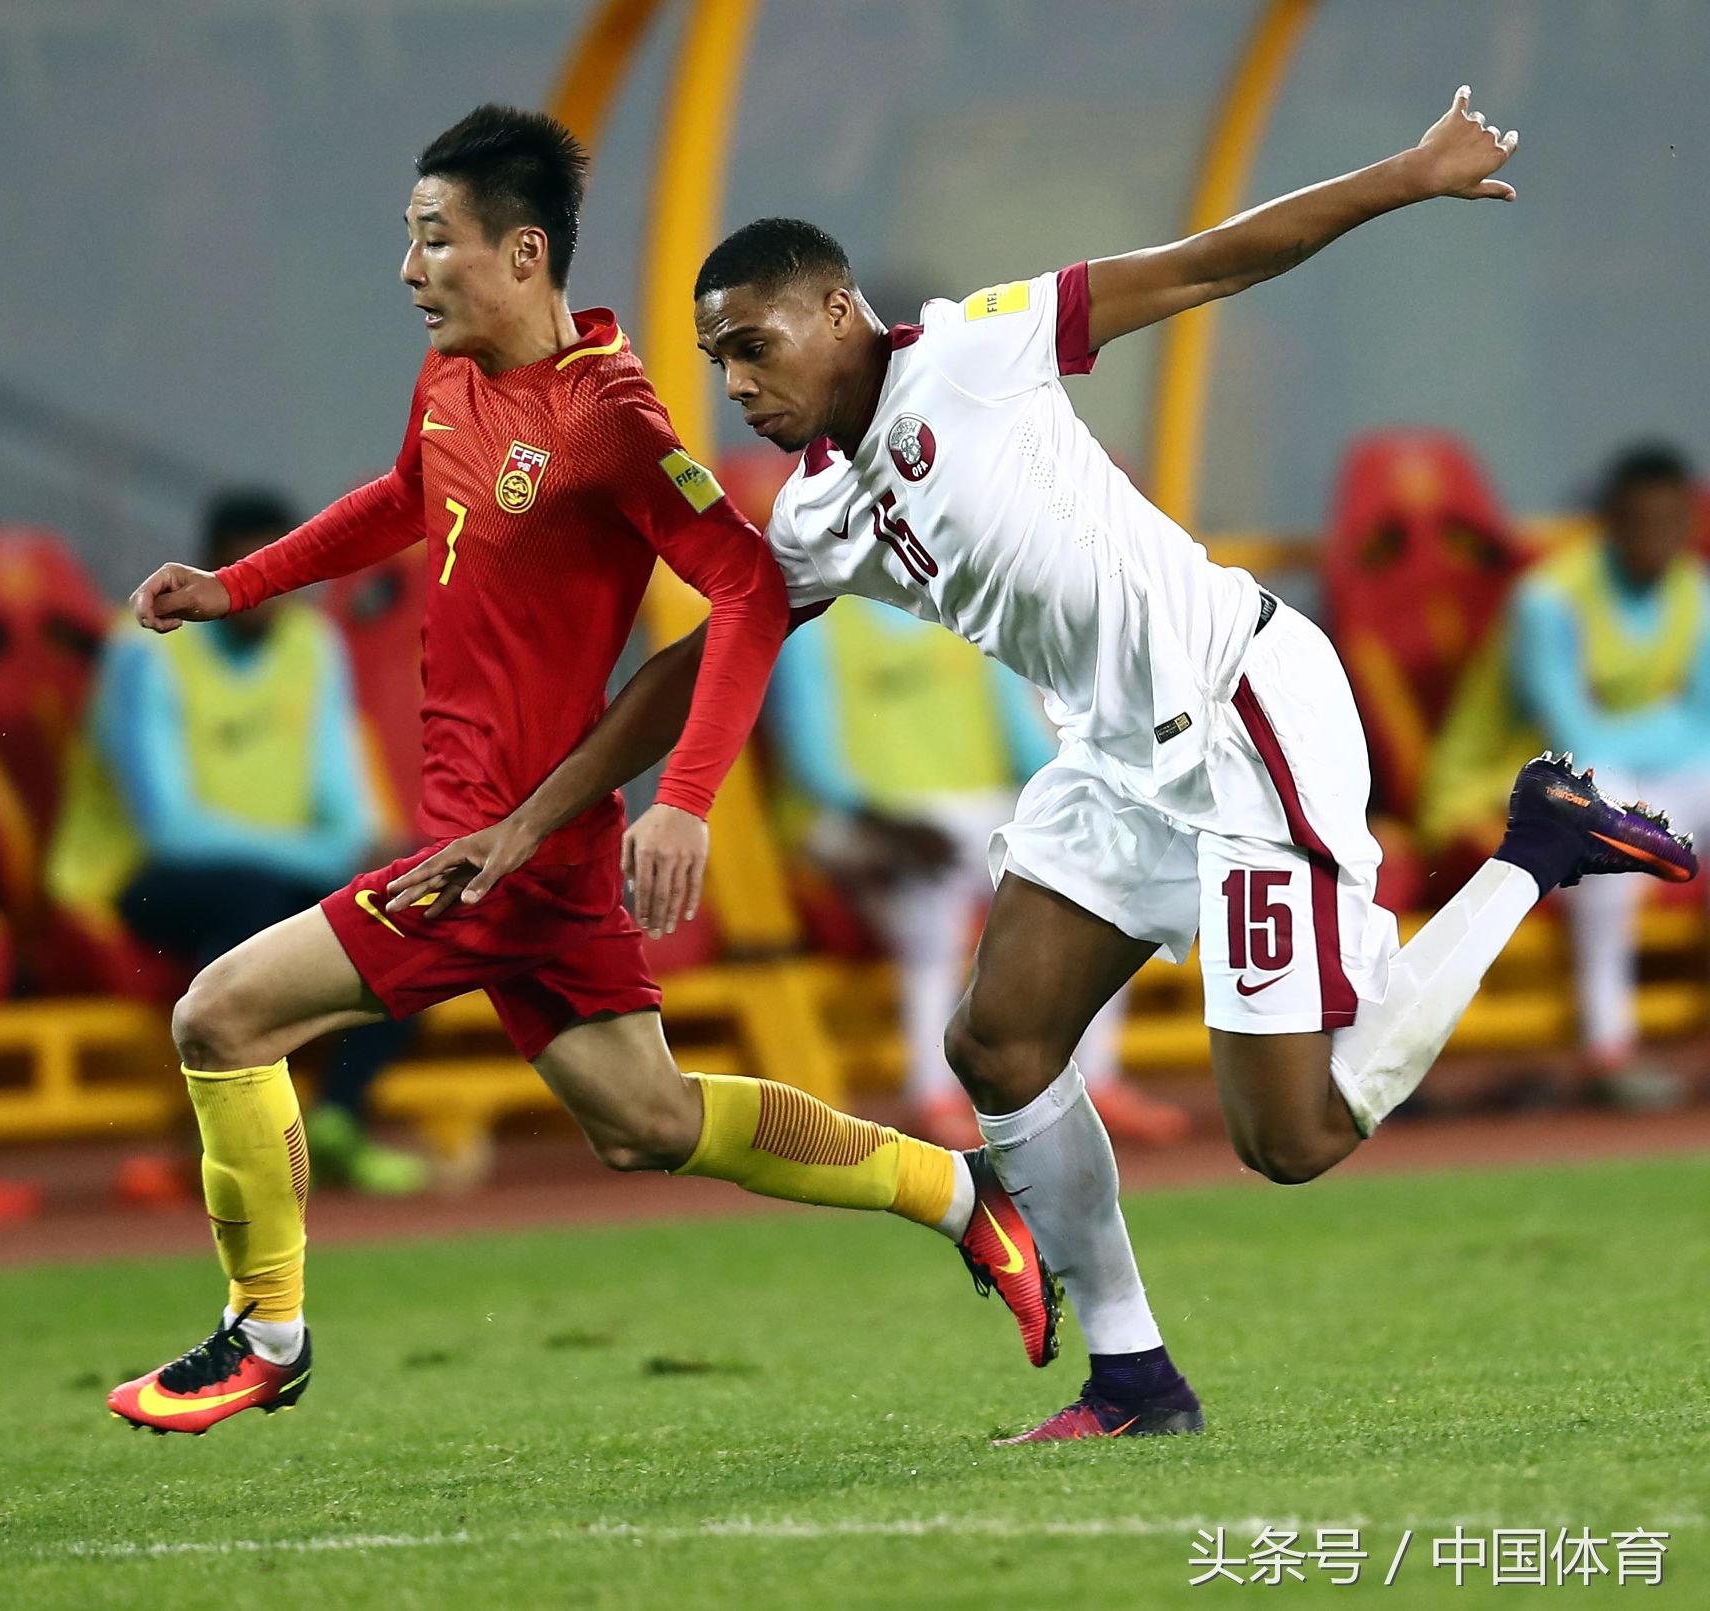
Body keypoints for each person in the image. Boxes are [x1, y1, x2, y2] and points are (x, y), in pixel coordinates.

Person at [393, 89, 1696, 1443]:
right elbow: (701, 660)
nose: (737, 385)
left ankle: (1537, 845)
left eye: (755, 347)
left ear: (837, 312)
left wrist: (1409, 175)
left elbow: (1208, 262)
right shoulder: (819, 512)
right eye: (718, 361)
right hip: (1112, 761)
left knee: (1293, 1139)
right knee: (996, 1044)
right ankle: (1133, 1379)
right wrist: (534, 817)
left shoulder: (980, 348)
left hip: (1240, 717)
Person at [106, 105, 1062, 1436]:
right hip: (493, 841)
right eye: (409, 239)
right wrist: (240, 584)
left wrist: (685, 803)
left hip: (501, 853)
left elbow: (749, 590)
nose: (409, 269)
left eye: (434, 239)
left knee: (219, 1018)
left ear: (523, 254)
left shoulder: (609, 419)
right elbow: (406, 493)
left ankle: (265, 1332)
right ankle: (958, 1192)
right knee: (646, 1120)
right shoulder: (451, 376)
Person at [96, 488, 430, 1194]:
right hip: (143, 878)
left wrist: (367, 856)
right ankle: (226, 1137)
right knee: (252, 905)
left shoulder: (313, 644)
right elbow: (169, 829)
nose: (259, 590)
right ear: (207, 571)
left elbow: (341, 791)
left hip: (278, 878)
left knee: (404, 905)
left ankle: (338, 1119)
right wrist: (330, 858)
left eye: (272, 568)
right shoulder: (144, 649)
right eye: (240, 569)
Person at [765, 602, 1184, 1147]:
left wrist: (1095, 796)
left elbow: (1024, 740)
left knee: (1106, 879)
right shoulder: (818, 623)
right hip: (852, 819)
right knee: (931, 902)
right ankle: (933, 1093)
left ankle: (1094, 1080)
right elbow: (813, 758)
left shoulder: (965, 611)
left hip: (971, 814)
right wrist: (883, 821)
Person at [1503, 445, 1710, 1102]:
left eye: (1670, 521)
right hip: (1527, 783)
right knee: (1605, 828)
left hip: (1652, 777)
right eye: (1640, 521)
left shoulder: (1697, 592)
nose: (1656, 537)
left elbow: (1706, 723)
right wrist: (1670, 726)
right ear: (1610, 520)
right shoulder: (1547, 598)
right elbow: (1575, 739)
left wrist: (1668, 735)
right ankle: (1607, 1048)